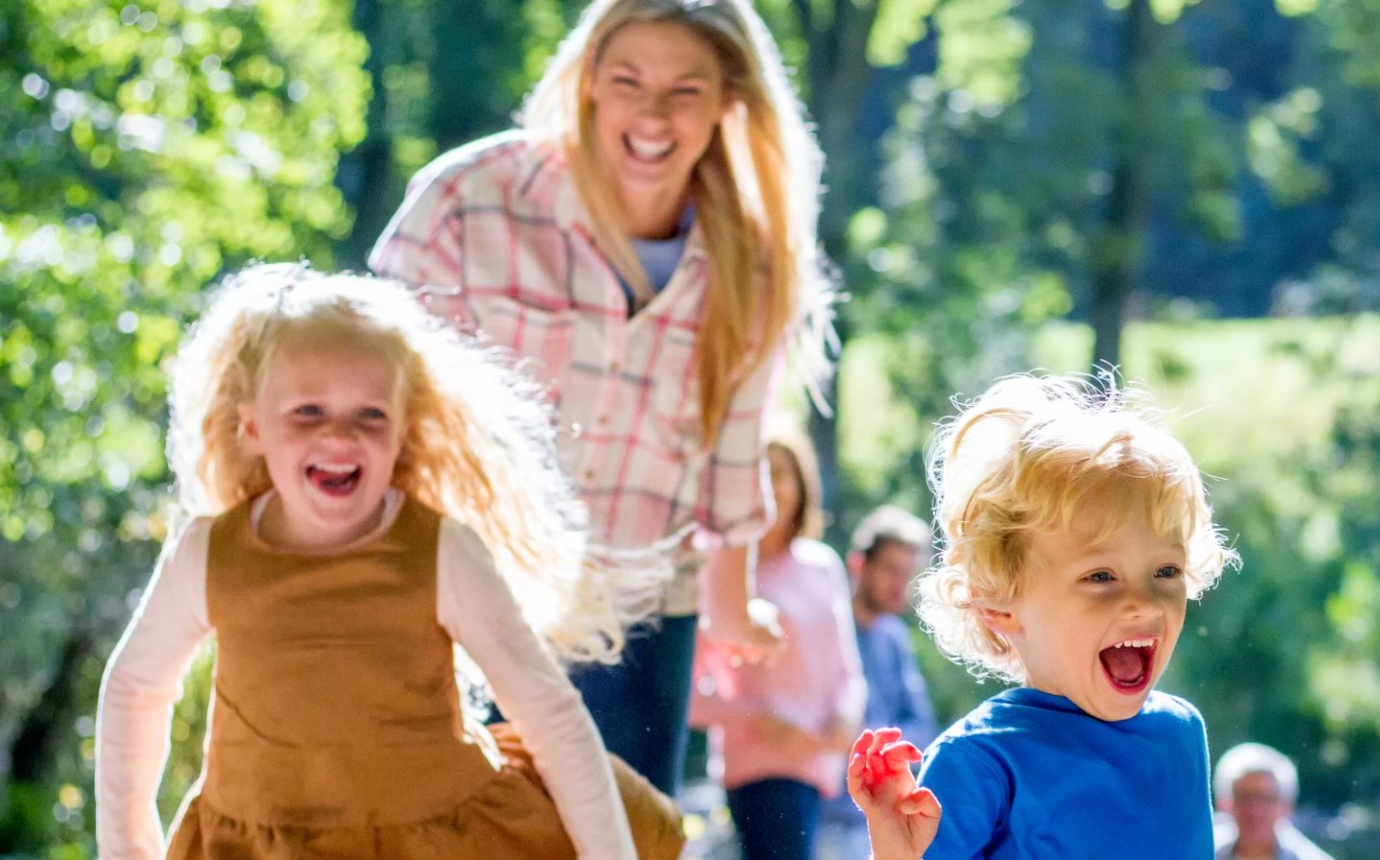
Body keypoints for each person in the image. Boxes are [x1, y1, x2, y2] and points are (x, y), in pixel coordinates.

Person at [368, 0, 832, 795]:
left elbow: (732, 449)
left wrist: (730, 606)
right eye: (628, 81)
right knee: (454, 830)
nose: (653, 113)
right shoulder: (471, 199)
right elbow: (374, 392)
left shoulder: (752, 263)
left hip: (641, 614)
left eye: (685, 89)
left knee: (626, 835)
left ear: (729, 101)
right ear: (587, 84)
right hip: (471, 597)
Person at [93, 266, 684, 860]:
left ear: (402, 432)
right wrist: (127, 849)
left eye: (370, 415)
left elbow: (547, 713)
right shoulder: (209, 554)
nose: (340, 435)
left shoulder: (439, 552)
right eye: (308, 411)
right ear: (252, 427)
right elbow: (135, 689)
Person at [847, 373, 1239, 859]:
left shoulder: (1180, 733)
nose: (1144, 603)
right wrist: (895, 848)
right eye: (1100, 576)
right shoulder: (980, 760)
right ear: (998, 602)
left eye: (1165, 570)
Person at [688, 428, 865, 859]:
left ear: (802, 486)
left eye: (781, 473)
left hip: (818, 766)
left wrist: (845, 717)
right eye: (759, 471)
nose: (769, 485)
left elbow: (847, 671)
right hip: (757, 768)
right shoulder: (721, 575)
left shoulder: (823, 567)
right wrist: (757, 719)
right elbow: (689, 697)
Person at [815, 506, 938, 860]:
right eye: (891, 570)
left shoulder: (894, 639)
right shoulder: (824, 628)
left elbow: (923, 728)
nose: (901, 584)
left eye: (908, 574)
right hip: (819, 817)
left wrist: (863, 739)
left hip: (876, 821)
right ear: (859, 564)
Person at [1213, 743, 1335, 860]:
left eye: (1266, 799)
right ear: (1225, 803)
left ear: (1286, 806)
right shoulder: (1202, 853)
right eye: (1244, 797)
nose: (1254, 809)